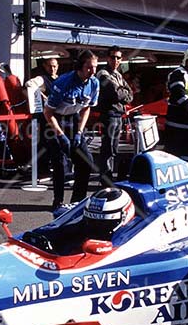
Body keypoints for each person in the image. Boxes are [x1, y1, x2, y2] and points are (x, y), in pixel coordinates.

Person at [44, 50, 99, 212]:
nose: (93, 71)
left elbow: (86, 107)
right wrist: (61, 136)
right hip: (55, 120)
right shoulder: (64, 82)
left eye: (95, 67)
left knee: (86, 162)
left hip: (74, 120)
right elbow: (48, 112)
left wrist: (80, 132)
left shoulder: (94, 83)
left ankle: (77, 200)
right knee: (60, 163)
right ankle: (58, 201)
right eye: (89, 68)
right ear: (80, 67)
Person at [95, 47, 133, 182]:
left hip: (118, 115)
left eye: (118, 58)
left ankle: (109, 176)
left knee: (114, 148)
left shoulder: (118, 74)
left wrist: (123, 93)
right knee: (108, 148)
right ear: (107, 58)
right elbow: (115, 93)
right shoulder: (103, 73)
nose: (115, 60)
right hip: (109, 115)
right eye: (113, 57)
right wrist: (123, 93)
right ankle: (105, 179)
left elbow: (130, 94)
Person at [25, 55, 61, 174]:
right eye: (50, 66)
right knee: (44, 142)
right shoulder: (42, 78)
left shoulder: (61, 79)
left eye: (54, 66)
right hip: (45, 115)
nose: (52, 68)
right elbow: (29, 84)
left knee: (57, 141)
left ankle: (56, 167)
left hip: (59, 115)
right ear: (45, 66)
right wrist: (42, 97)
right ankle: (42, 169)